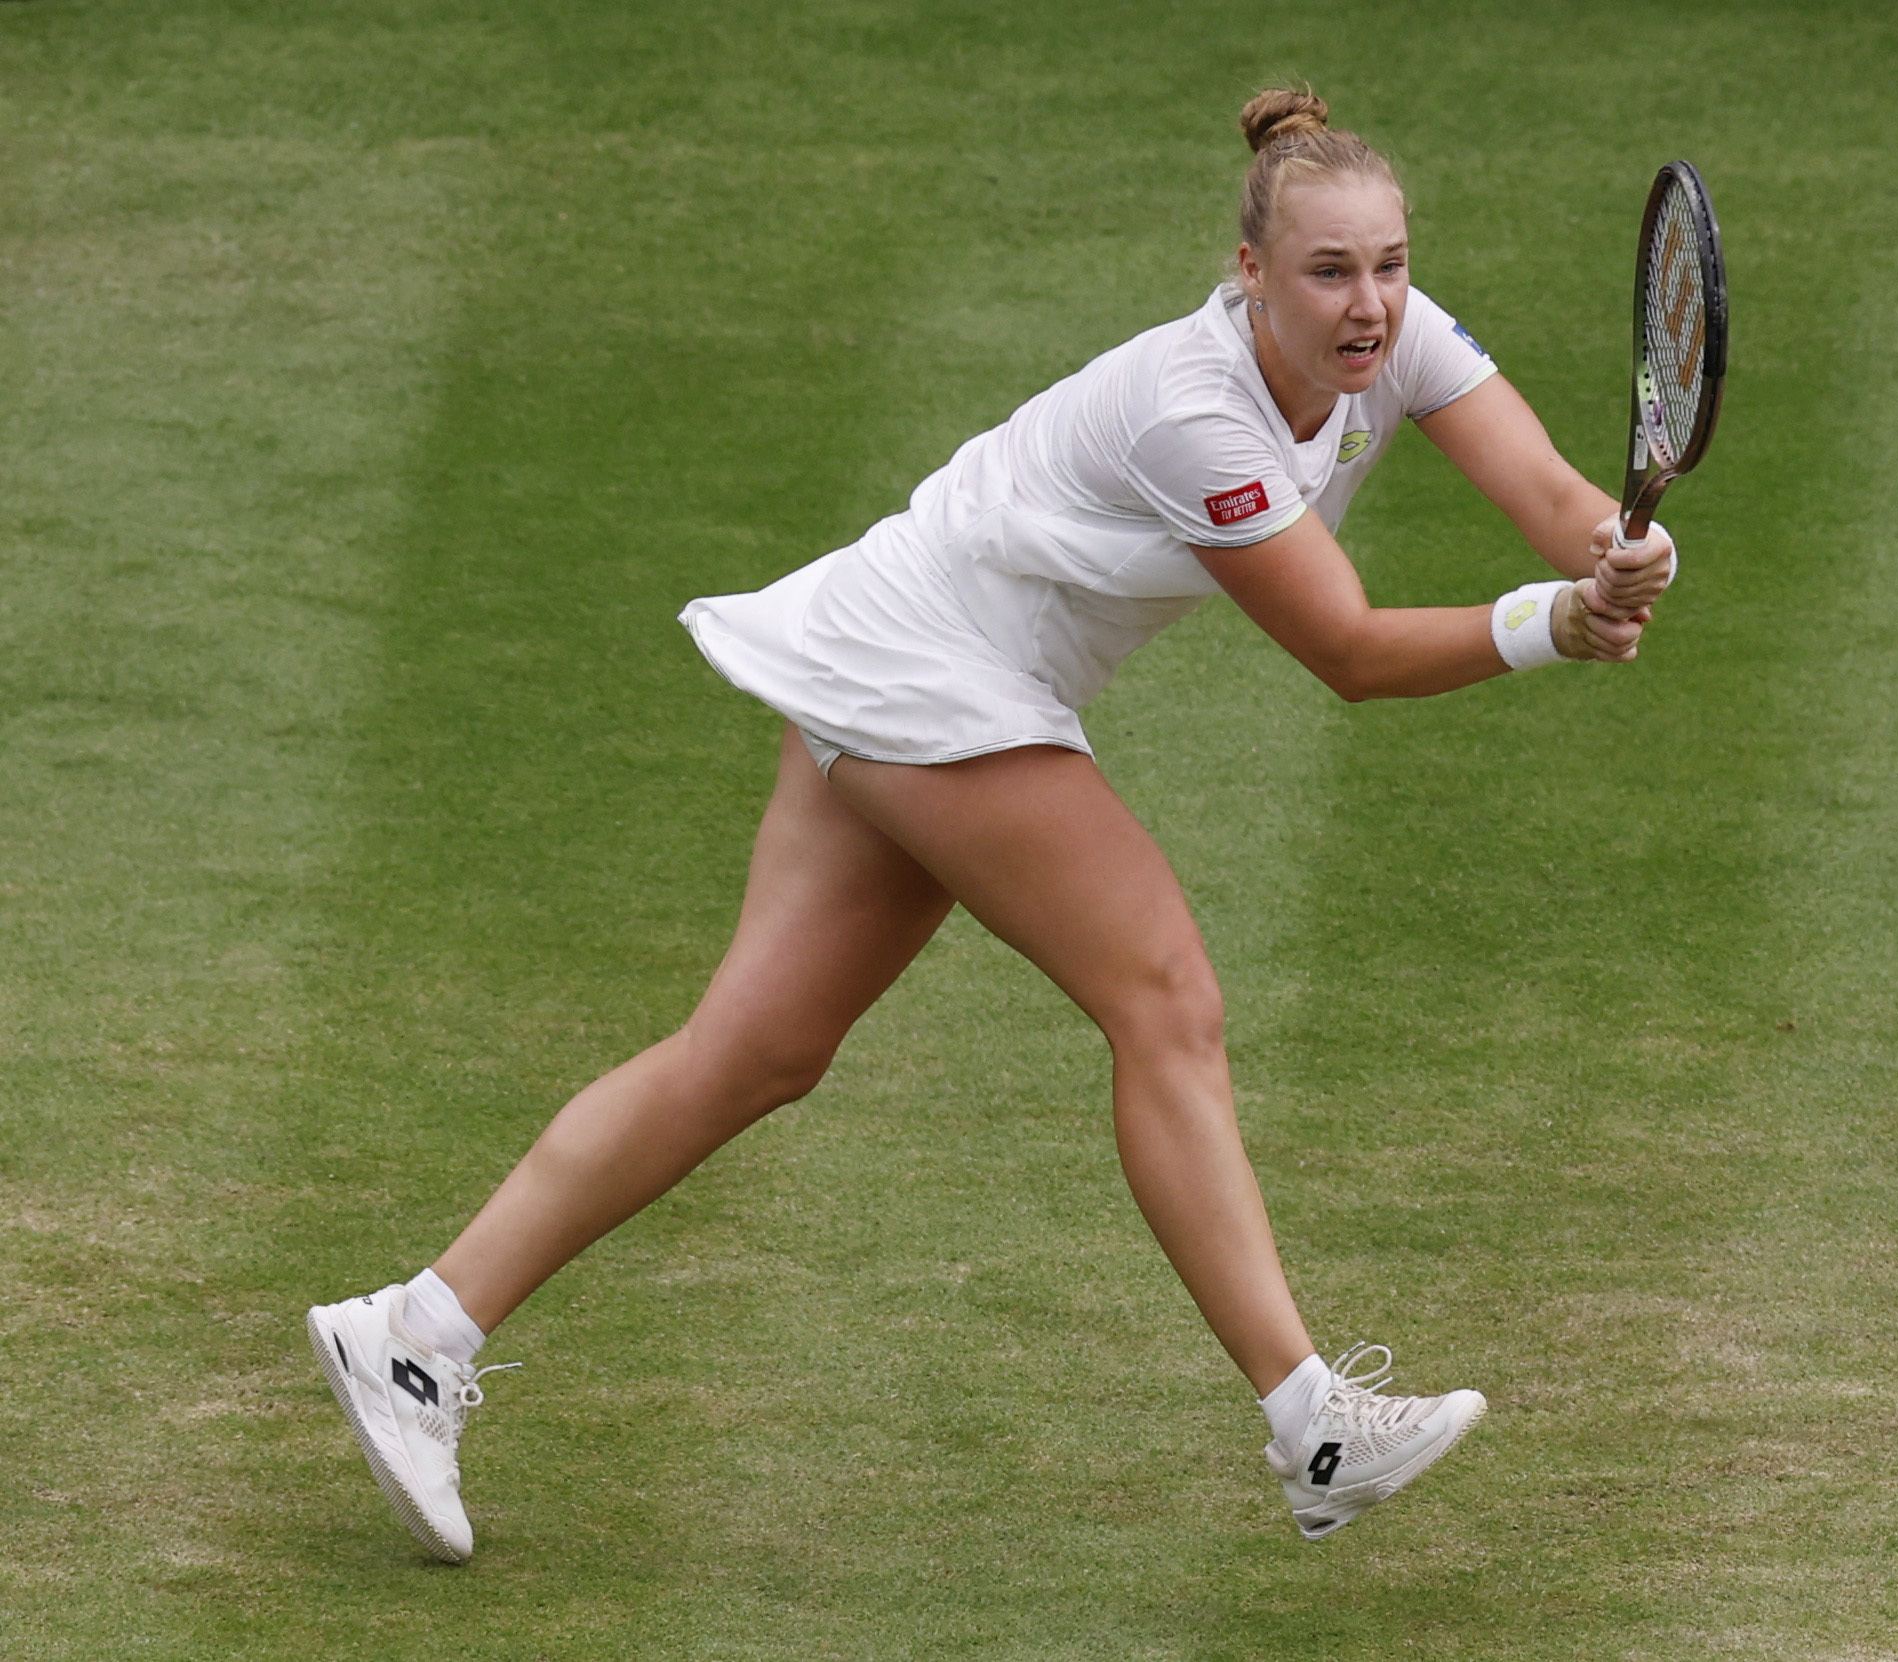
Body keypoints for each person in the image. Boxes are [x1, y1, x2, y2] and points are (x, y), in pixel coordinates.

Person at [307, 86, 1678, 1562]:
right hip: (928, 664)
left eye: (1391, 265)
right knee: (1165, 997)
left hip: (900, 645)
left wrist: (1611, 544)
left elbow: (1546, 489)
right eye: (1329, 271)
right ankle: (1314, 1426)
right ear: (1249, 271)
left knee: (756, 1050)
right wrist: (1551, 625)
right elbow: (1340, 649)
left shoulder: (1399, 341)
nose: (1369, 303)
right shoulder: (1190, 408)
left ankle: (412, 1331)